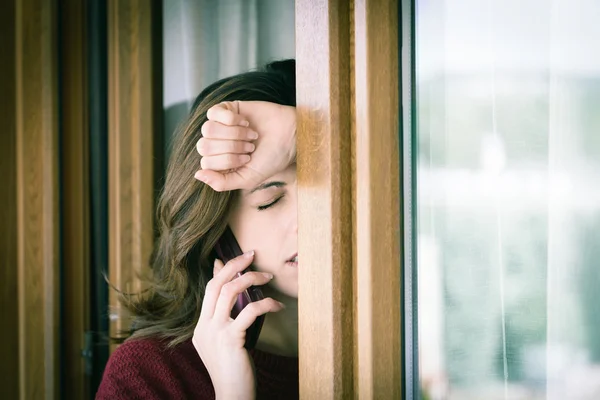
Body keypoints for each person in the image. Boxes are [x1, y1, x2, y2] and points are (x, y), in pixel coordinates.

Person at [96, 59, 299, 399]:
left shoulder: (403, 336)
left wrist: (302, 130)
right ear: (217, 230)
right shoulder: (149, 374)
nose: (311, 220)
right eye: (270, 200)